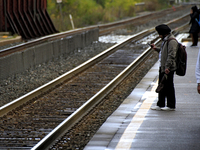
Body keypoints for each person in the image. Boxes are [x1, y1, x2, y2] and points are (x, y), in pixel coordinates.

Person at [150, 24, 178, 111]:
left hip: (168, 68)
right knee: (161, 85)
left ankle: (171, 105)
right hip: (163, 67)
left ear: (164, 33)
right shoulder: (166, 40)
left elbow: (171, 55)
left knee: (169, 86)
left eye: (159, 34)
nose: (159, 36)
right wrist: (156, 49)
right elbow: (163, 52)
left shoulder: (172, 41)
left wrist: (167, 67)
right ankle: (160, 104)